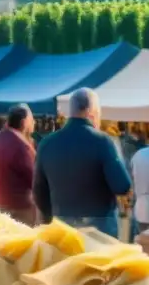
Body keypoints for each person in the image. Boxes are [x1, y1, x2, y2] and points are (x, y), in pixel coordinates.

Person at [33, 89, 131, 238]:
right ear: (92, 112)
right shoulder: (103, 141)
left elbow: (39, 190)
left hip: (62, 227)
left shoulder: (46, 143)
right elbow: (122, 186)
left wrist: (49, 218)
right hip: (99, 229)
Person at [0, 104, 38, 225]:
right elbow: (35, 181)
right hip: (21, 211)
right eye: (32, 120)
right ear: (24, 123)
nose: (34, 123)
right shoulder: (21, 147)